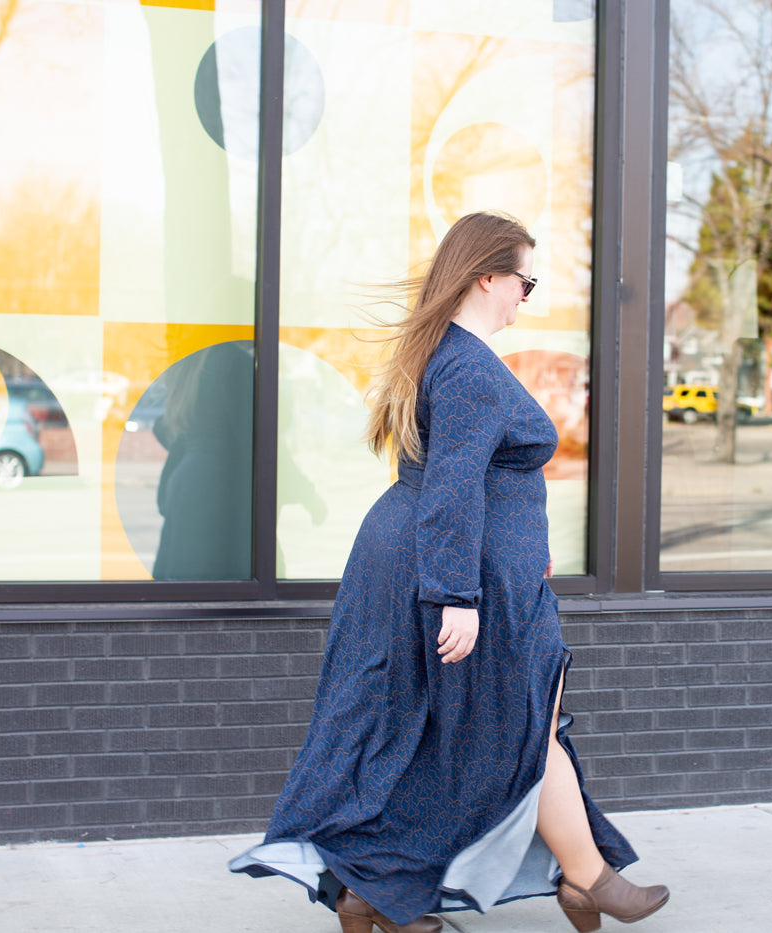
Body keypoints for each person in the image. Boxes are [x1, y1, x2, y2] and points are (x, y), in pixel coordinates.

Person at [229, 212, 670, 933]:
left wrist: (526, 549)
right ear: (486, 276)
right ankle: (587, 877)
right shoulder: (466, 367)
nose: (527, 296)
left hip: (454, 567)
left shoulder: (449, 356)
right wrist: (453, 598)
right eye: (524, 280)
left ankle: (376, 890)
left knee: (448, 729)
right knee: (525, 723)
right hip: (449, 576)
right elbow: (453, 487)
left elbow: (479, 482)